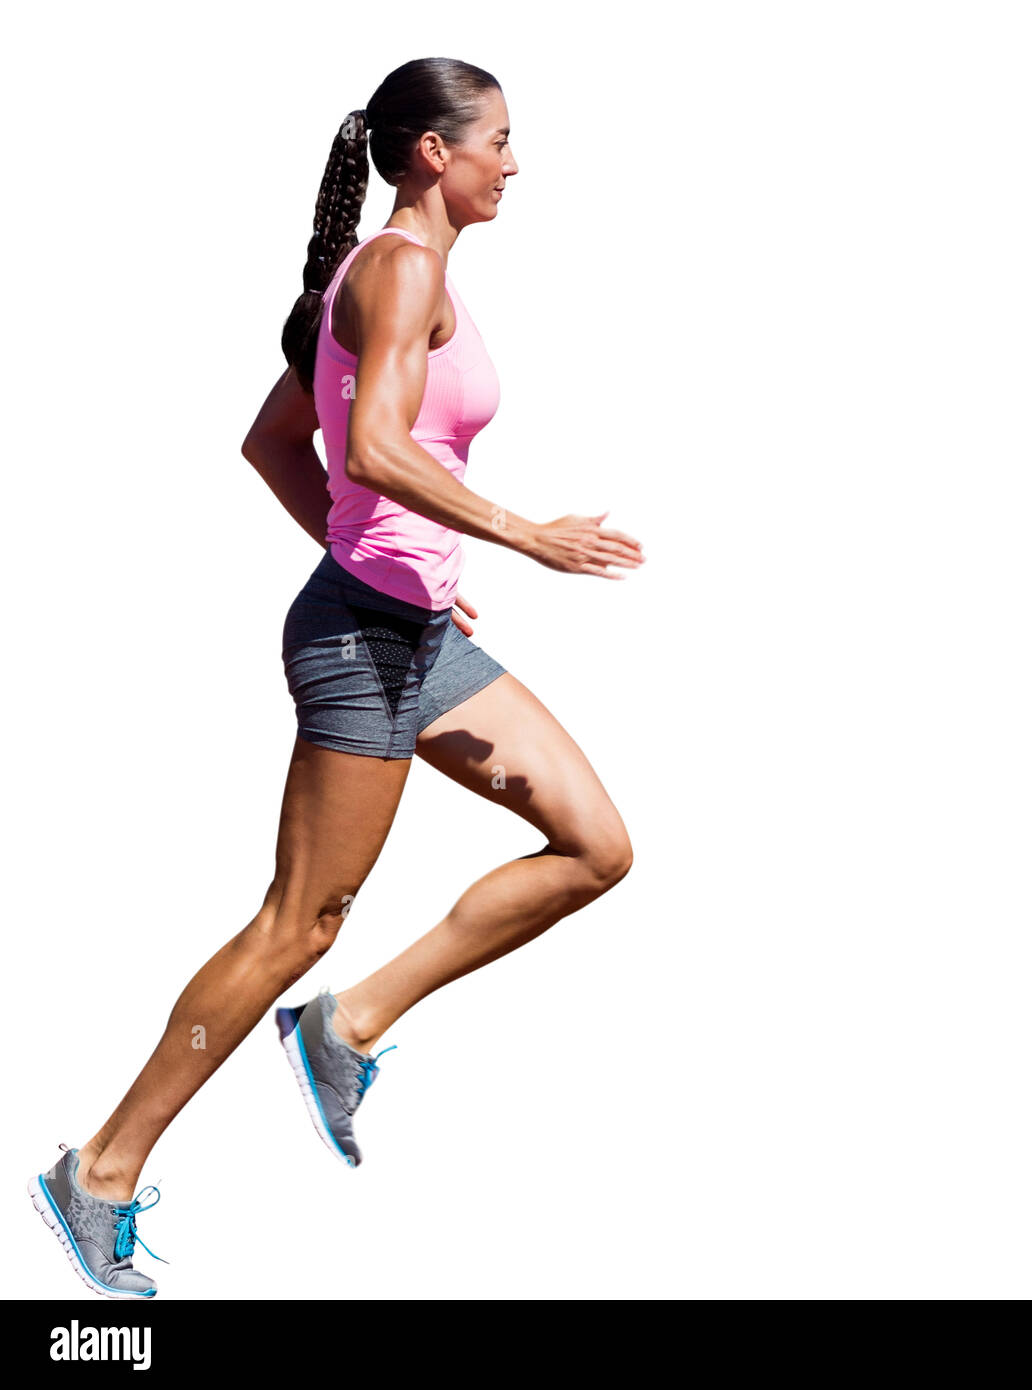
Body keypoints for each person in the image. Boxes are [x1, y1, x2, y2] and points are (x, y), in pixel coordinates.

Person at [28, 55, 643, 1299]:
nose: (514, 164)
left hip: (417, 631)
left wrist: (394, 546)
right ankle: (97, 1169)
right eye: (501, 142)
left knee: (594, 844)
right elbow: (363, 445)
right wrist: (524, 533)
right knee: (295, 922)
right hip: (362, 643)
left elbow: (276, 442)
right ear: (434, 153)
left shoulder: (384, 277)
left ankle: (342, 1029)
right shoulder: (404, 270)